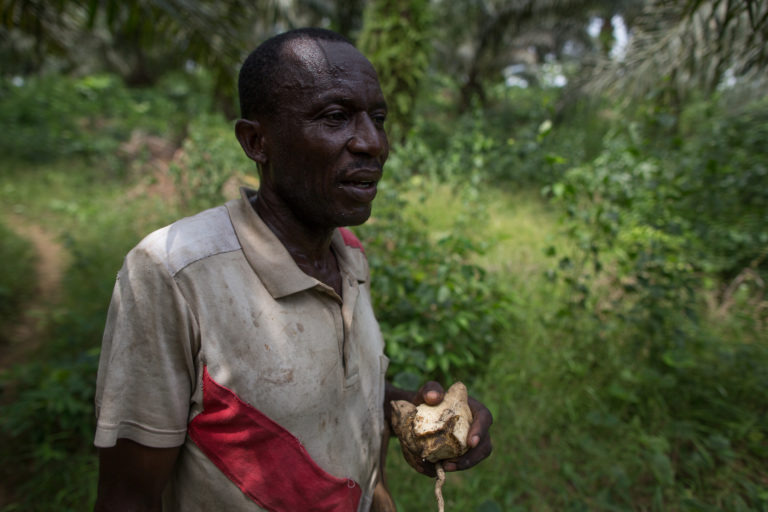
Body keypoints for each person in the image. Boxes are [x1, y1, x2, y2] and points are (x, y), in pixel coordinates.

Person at [93, 28, 492, 512]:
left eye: (378, 118)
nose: (372, 143)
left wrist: (415, 414)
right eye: (335, 116)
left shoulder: (348, 253)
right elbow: (127, 496)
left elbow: (315, 390)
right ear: (256, 141)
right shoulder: (173, 276)